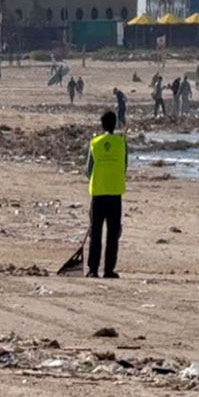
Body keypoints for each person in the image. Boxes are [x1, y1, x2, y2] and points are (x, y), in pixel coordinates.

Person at [85, 110, 128, 279]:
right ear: (115, 124)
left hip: (98, 193)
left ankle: (93, 269)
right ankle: (109, 270)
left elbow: (88, 170)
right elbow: (124, 167)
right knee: (113, 233)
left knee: (95, 233)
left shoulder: (95, 142)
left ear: (102, 124)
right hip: (115, 192)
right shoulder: (121, 143)